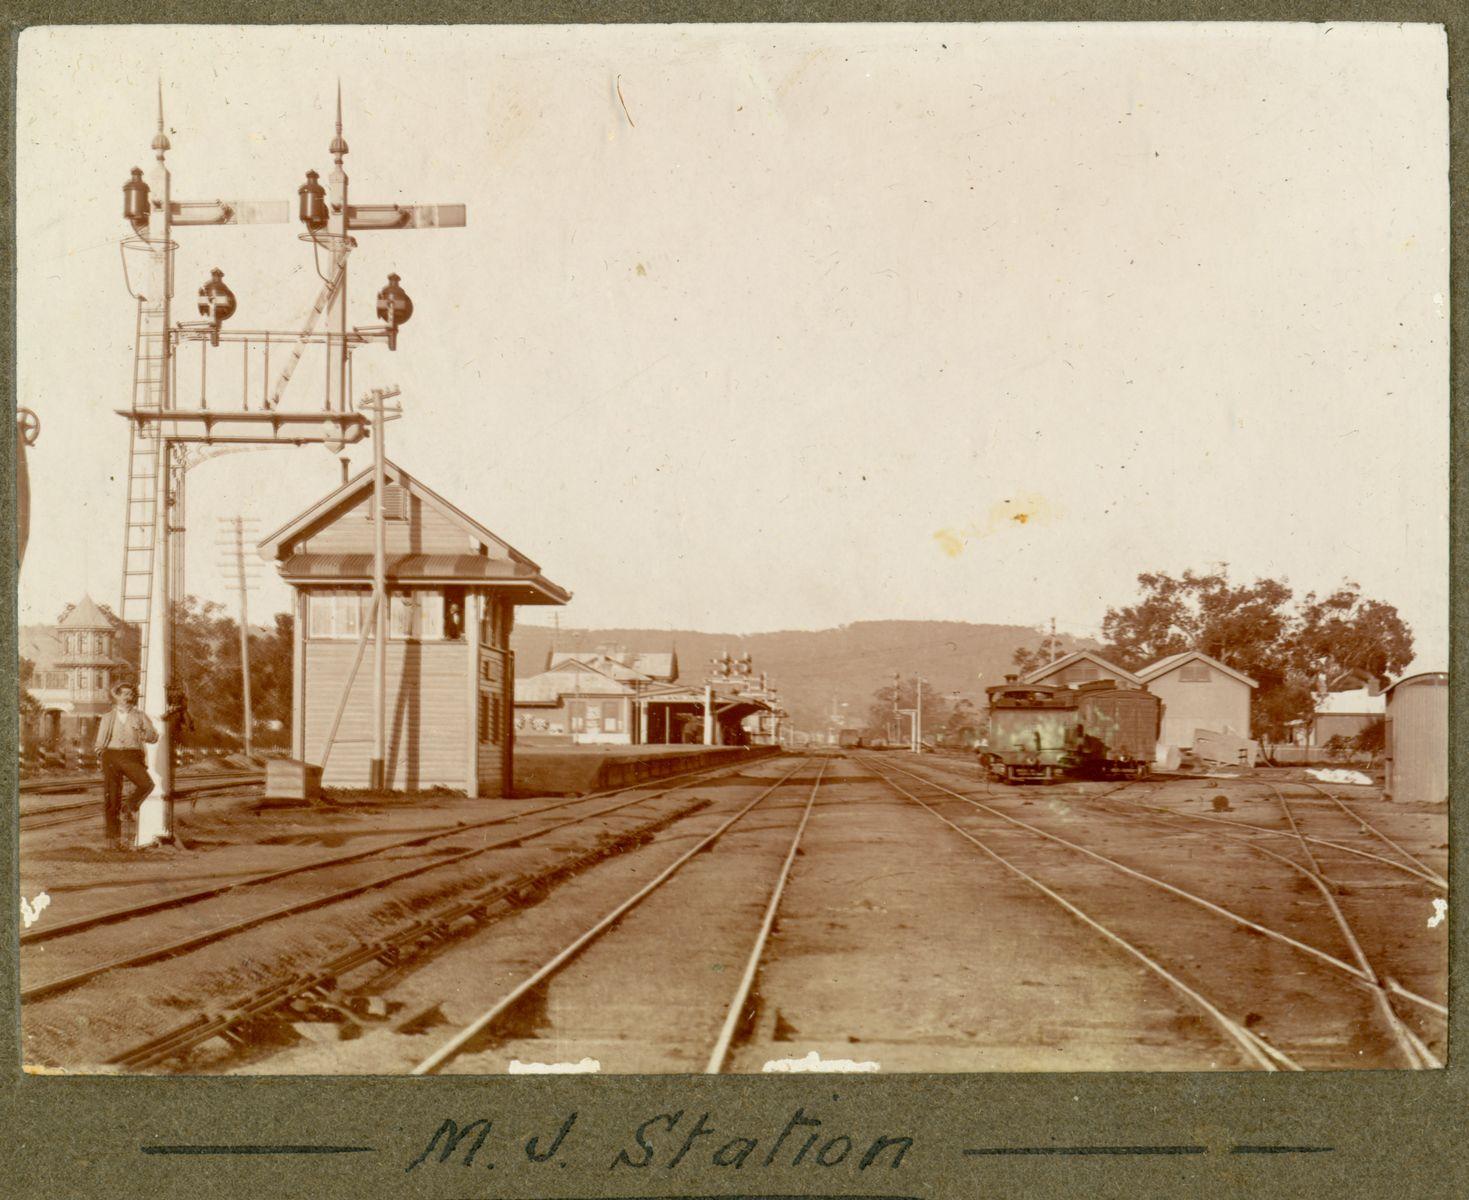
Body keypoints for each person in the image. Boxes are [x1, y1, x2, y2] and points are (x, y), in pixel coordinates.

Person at [94, 682, 158, 851]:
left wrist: (146, 733)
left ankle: (128, 807)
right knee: (112, 798)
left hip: (132, 755)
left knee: (146, 784)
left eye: (131, 694)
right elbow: (100, 741)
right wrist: (101, 754)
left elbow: (153, 737)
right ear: (117, 696)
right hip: (111, 756)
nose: (128, 697)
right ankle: (113, 841)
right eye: (125, 694)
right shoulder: (108, 716)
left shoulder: (140, 715)